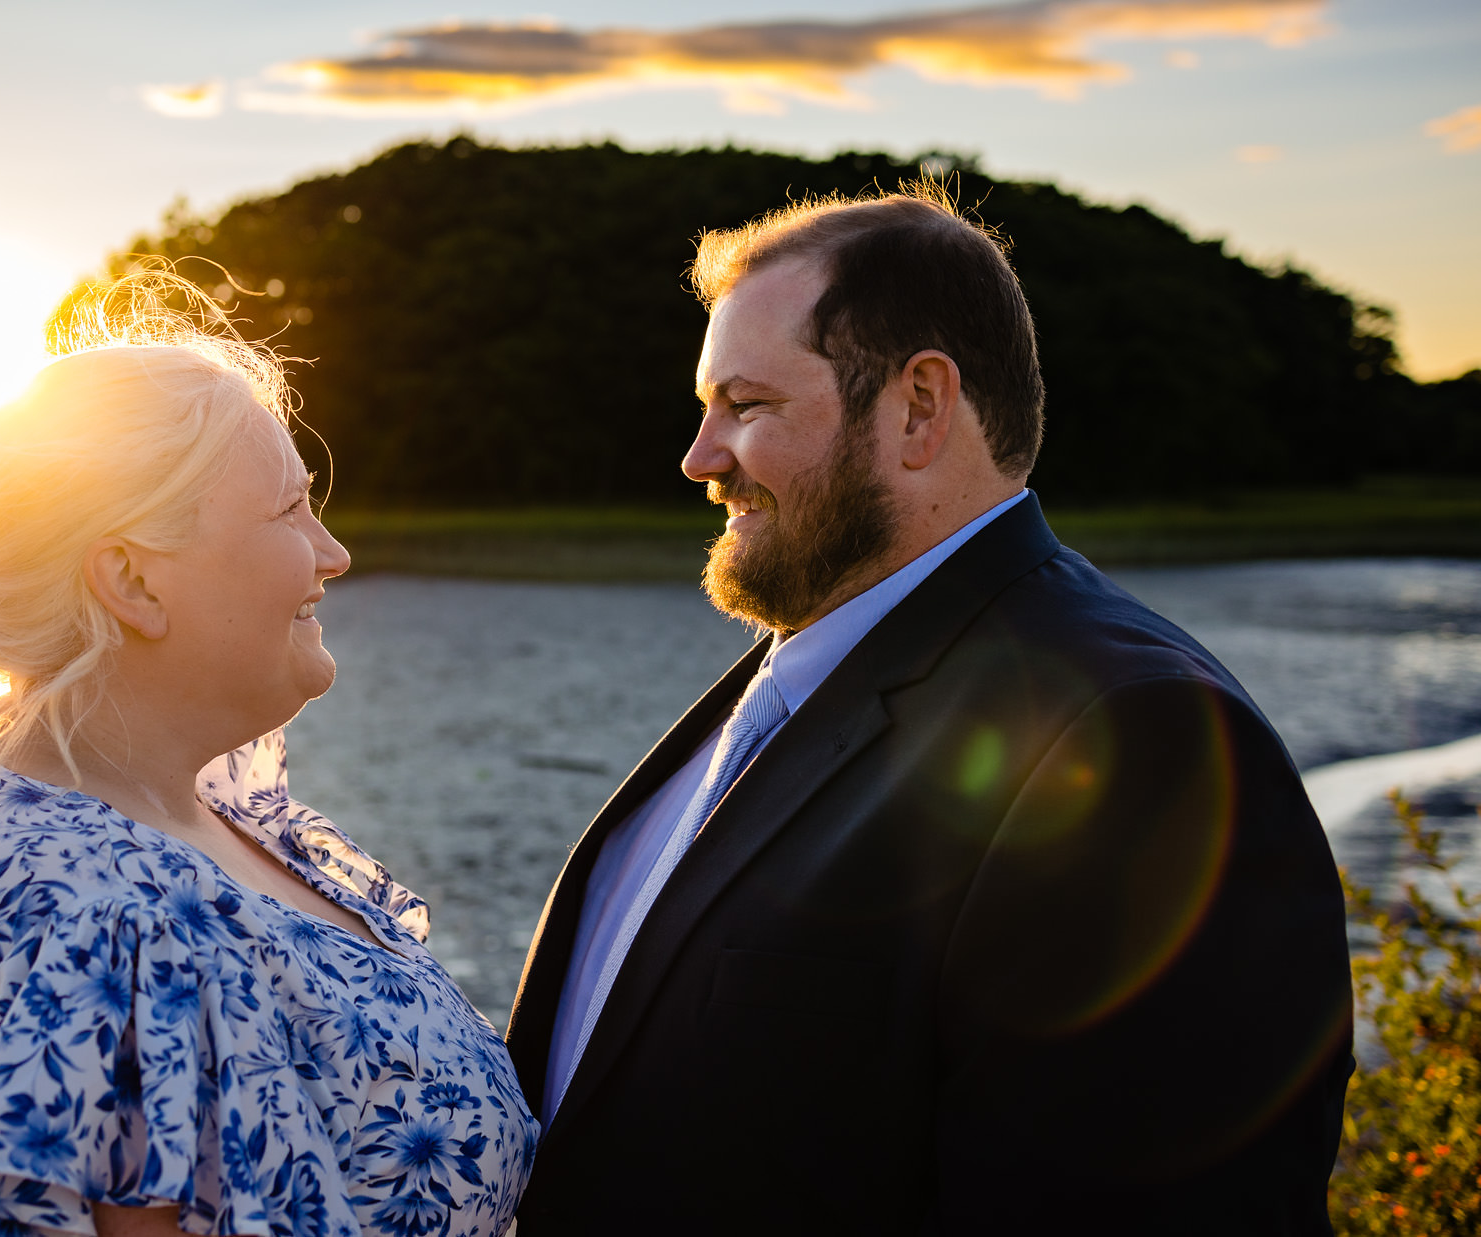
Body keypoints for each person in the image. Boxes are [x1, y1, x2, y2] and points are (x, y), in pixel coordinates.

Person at [504, 191, 1353, 1233]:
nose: (698, 456)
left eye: (746, 405)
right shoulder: (797, 674)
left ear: (917, 407)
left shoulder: (1133, 735)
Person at [0, 277, 536, 1237]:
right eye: (288, 512)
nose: (333, 552)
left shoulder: (139, 805)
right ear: (132, 580)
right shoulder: (98, 921)